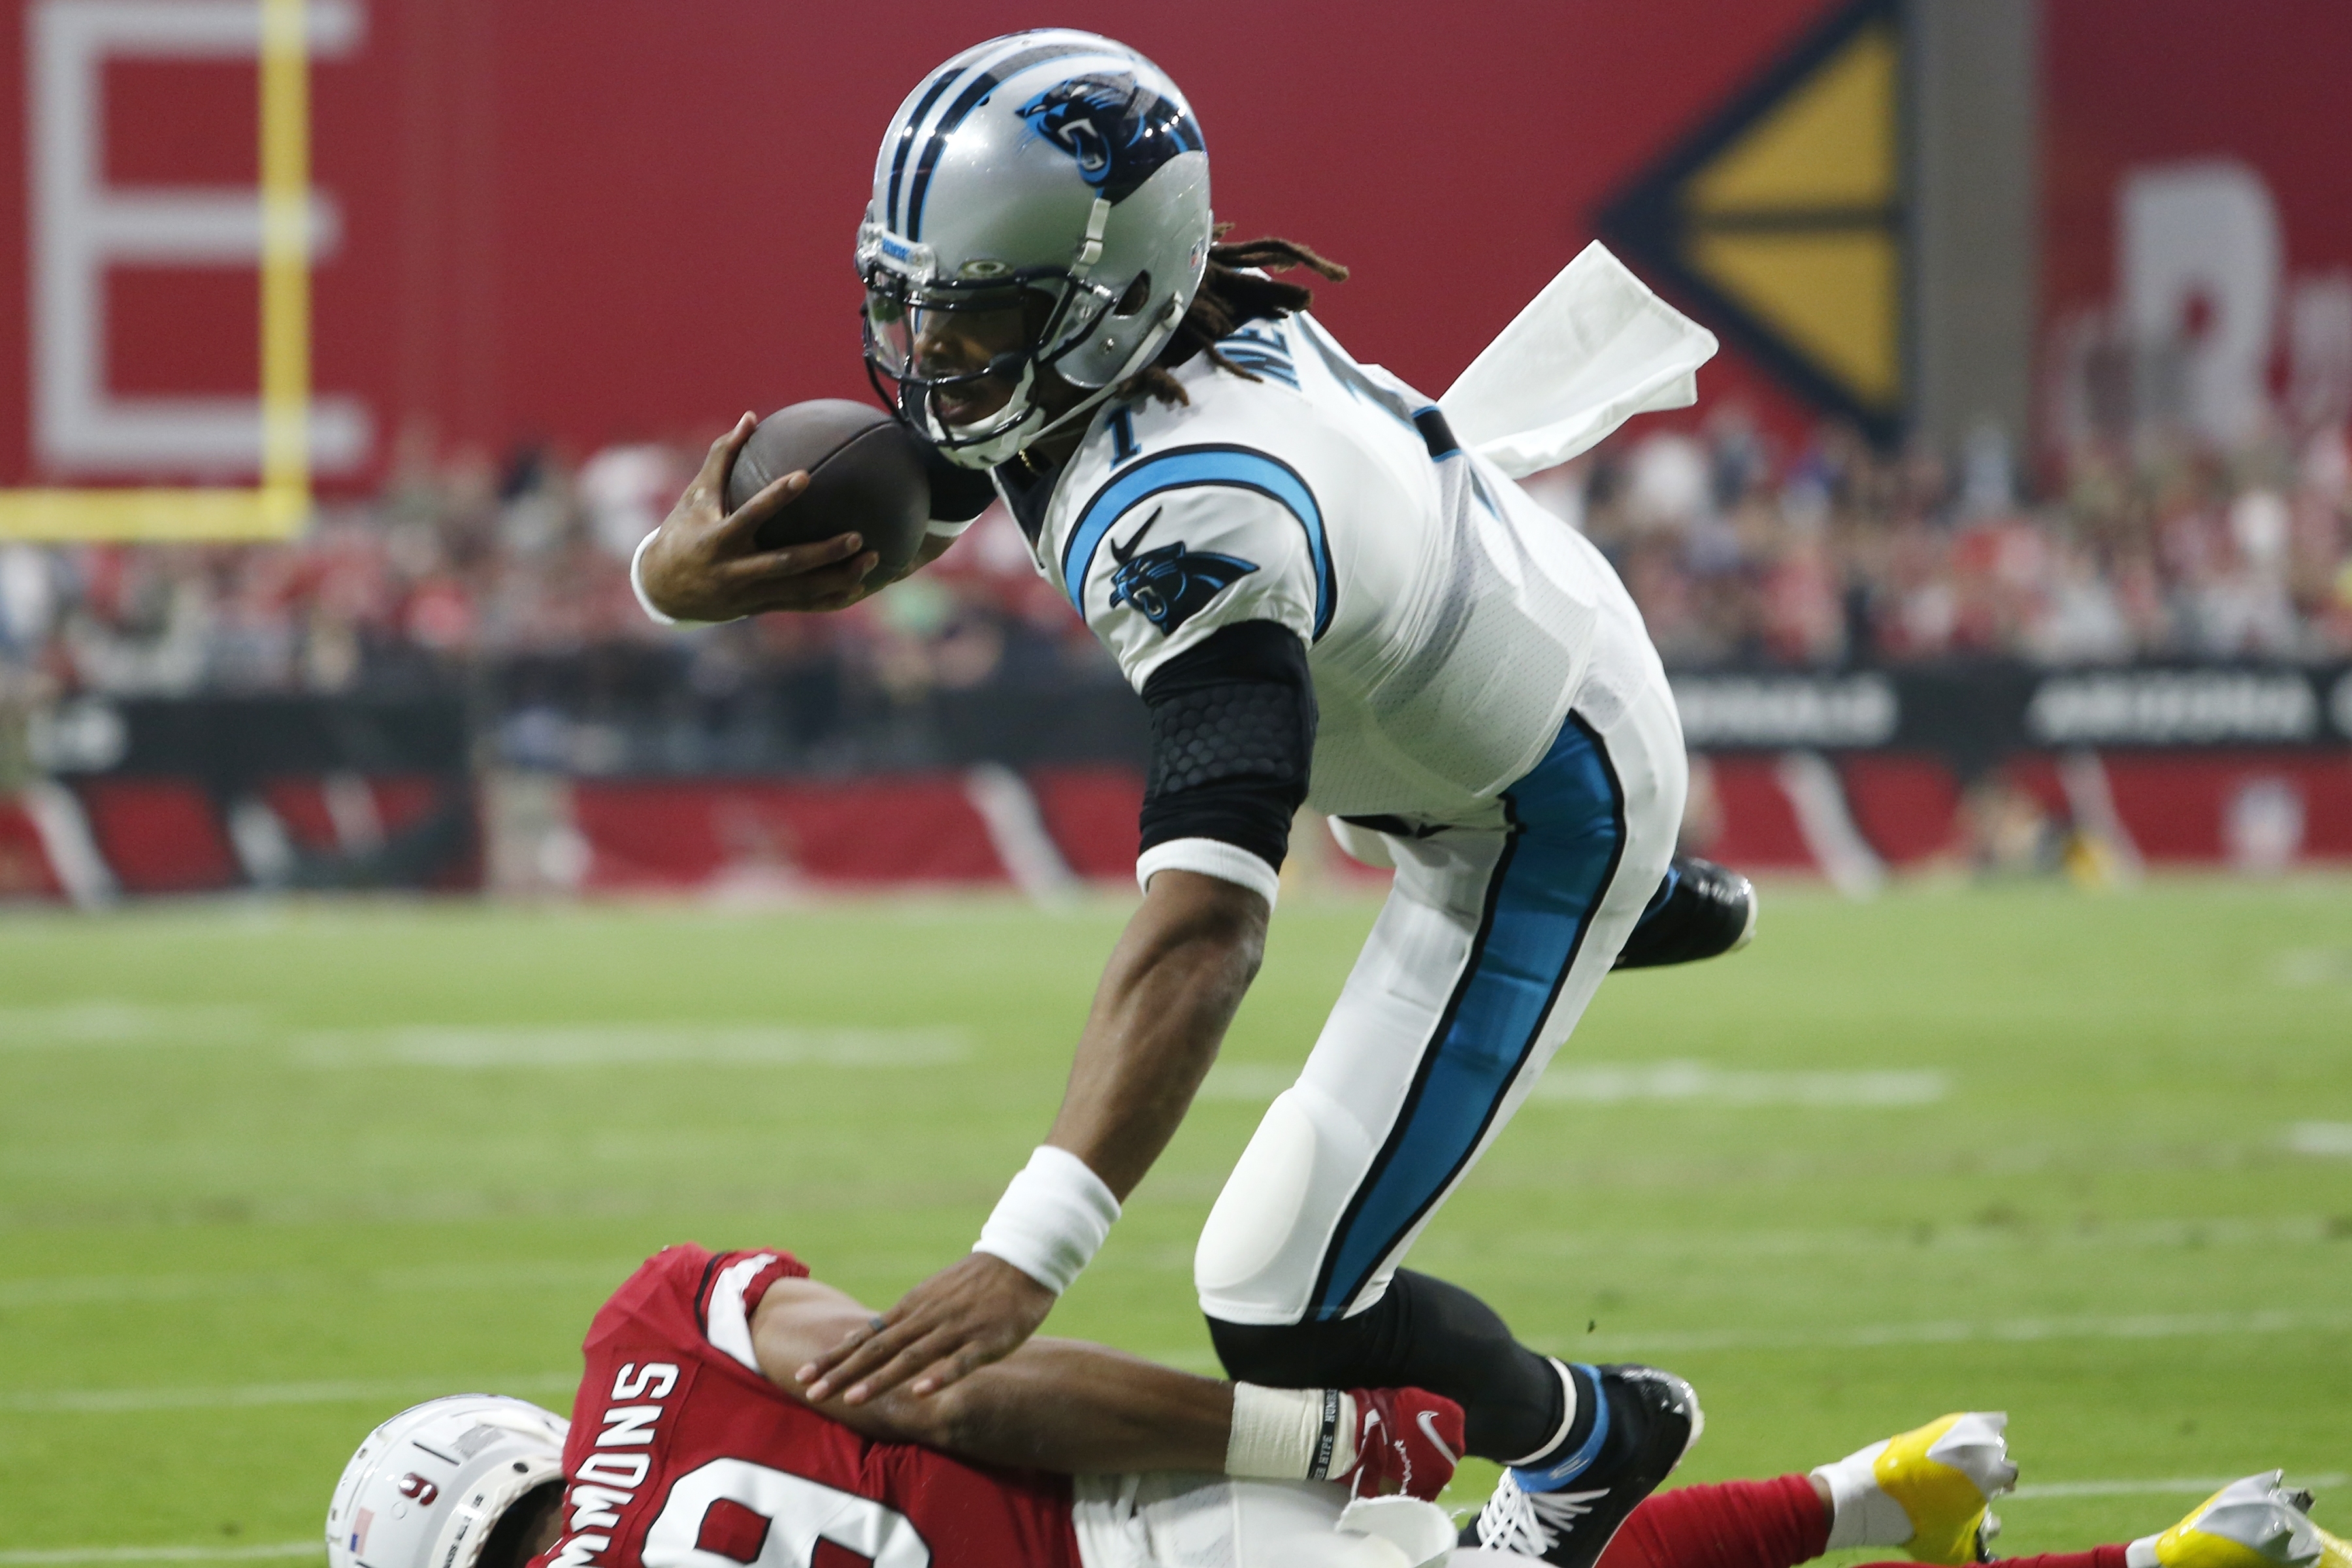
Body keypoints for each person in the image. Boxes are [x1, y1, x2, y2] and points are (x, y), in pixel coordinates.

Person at [632, 29, 1755, 1562]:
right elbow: (966, 464)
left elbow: (1208, 929)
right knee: (1340, 776)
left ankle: (1596, 1437)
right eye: (907, 304)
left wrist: (1028, 1252)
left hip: (1540, 801)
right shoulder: (1128, 341)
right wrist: (669, 578)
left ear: (1108, 305)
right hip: (1465, 664)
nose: (925, 362)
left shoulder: (1195, 506)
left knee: (1276, 1301)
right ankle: (1620, 923)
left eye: (976, 321)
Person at [324, 1241, 2343, 1568]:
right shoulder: (653, 1328)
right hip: (1155, 1514)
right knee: (1491, 1546)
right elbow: (979, 1392)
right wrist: (1323, 1435)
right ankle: (1834, 1498)